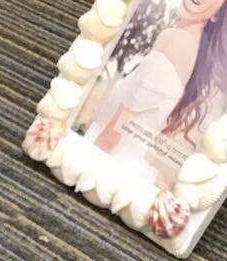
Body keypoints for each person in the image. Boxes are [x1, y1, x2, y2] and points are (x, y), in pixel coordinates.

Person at [91, 0, 226, 186]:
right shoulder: (190, 46)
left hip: (107, 161)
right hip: (124, 161)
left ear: (217, 15)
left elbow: (116, 130)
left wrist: (88, 161)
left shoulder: (178, 40)